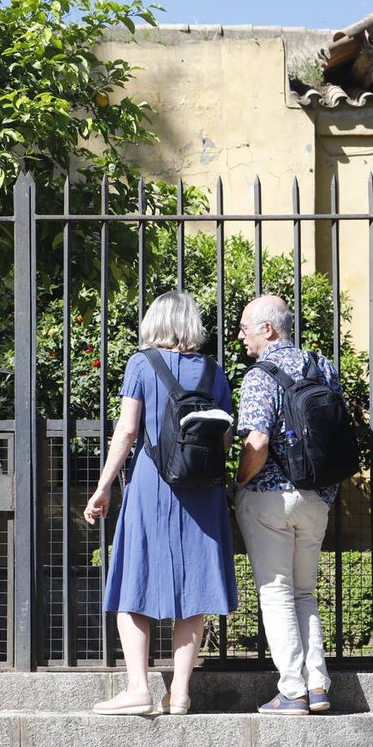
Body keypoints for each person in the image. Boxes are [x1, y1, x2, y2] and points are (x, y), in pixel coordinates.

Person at [84, 290, 238, 716]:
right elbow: (224, 438)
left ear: (155, 322)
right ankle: (181, 692)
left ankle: (138, 688)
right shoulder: (213, 371)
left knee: (134, 580)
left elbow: (127, 431)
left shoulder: (141, 364)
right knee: (194, 593)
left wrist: (103, 486)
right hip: (202, 490)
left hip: (152, 484)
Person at [234, 294, 341, 715]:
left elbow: (256, 442)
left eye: (245, 327)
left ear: (268, 329)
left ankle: (292, 691)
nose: (240, 335)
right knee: (304, 593)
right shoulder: (323, 367)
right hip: (318, 497)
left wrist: (241, 480)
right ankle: (318, 686)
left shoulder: (260, 375)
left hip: (270, 498)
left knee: (276, 593)